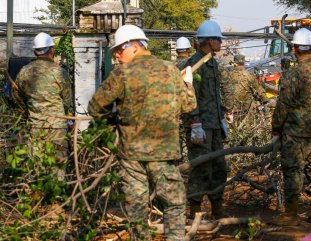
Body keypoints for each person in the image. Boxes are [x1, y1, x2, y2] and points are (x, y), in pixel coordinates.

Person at [88, 24, 197, 240]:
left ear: (135, 46)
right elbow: (188, 106)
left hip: (131, 154)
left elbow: (95, 107)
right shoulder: (170, 70)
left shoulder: (122, 74)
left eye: (119, 50)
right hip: (163, 153)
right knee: (174, 203)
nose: (117, 56)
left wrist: (112, 123)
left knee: (136, 207)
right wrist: (188, 85)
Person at [271, 28, 311, 226]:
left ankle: (291, 214)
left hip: (295, 134)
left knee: (293, 171)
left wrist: (276, 128)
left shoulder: (291, 75)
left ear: (295, 49)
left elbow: (283, 106)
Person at [180, 20, 229, 219]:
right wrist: (195, 123)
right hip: (200, 126)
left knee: (219, 167)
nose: (221, 43)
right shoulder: (194, 64)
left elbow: (213, 95)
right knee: (200, 168)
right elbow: (189, 95)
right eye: (218, 39)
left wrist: (223, 114)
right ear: (209, 40)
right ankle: (195, 209)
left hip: (214, 124)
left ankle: (217, 207)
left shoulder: (212, 62)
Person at [13, 32, 74, 181]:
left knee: (38, 165)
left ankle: (38, 200)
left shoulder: (24, 72)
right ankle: (56, 201)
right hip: (57, 127)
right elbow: (67, 101)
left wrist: (27, 113)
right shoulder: (59, 72)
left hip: (36, 126)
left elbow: (17, 98)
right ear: (51, 51)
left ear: (35, 51)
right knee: (58, 166)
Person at [227, 54, 267, 126]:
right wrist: (265, 101)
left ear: (234, 63)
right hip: (245, 112)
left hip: (229, 111)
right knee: (245, 130)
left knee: (231, 130)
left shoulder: (227, 75)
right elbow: (259, 91)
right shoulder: (249, 76)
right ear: (244, 63)